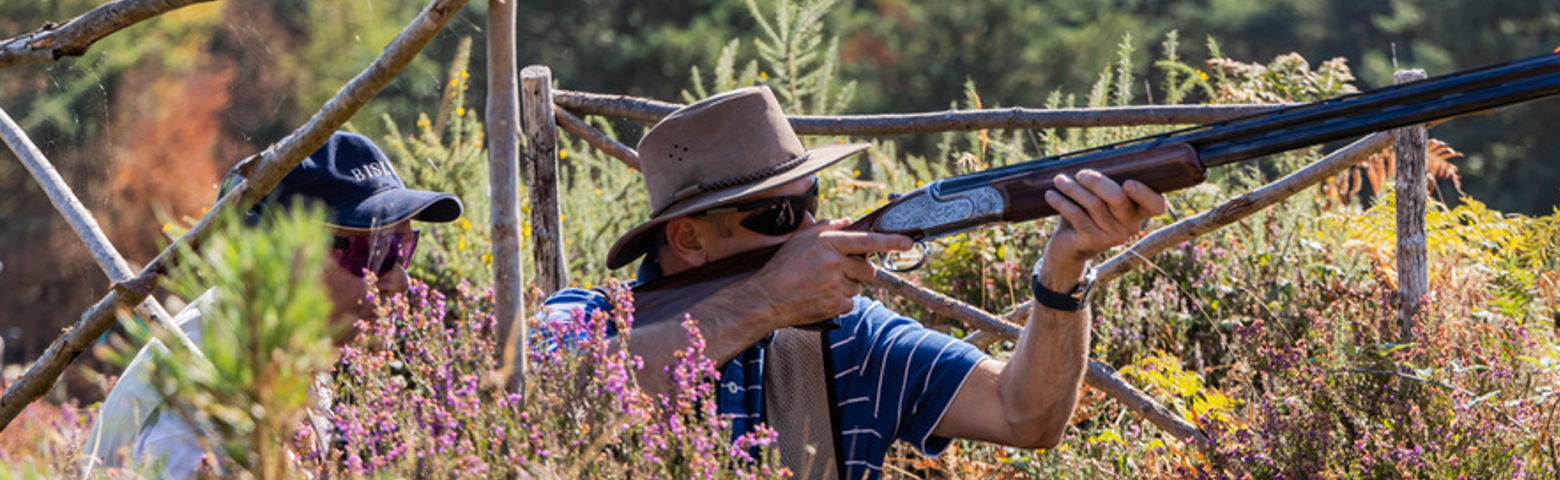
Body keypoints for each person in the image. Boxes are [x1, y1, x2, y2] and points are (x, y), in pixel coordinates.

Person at [540, 86, 1166, 479]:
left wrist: (1064, 273)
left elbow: (1024, 417)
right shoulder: (587, 321)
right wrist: (763, 301)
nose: (810, 228)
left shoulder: (848, 336)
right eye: (777, 216)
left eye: (809, 201)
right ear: (689, 240)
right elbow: (547, 402)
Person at [82, 132, 464, 478]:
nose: (400, 281)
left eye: (404, 248)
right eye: (375, 252)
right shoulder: (203, 410)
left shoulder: (283, 359)